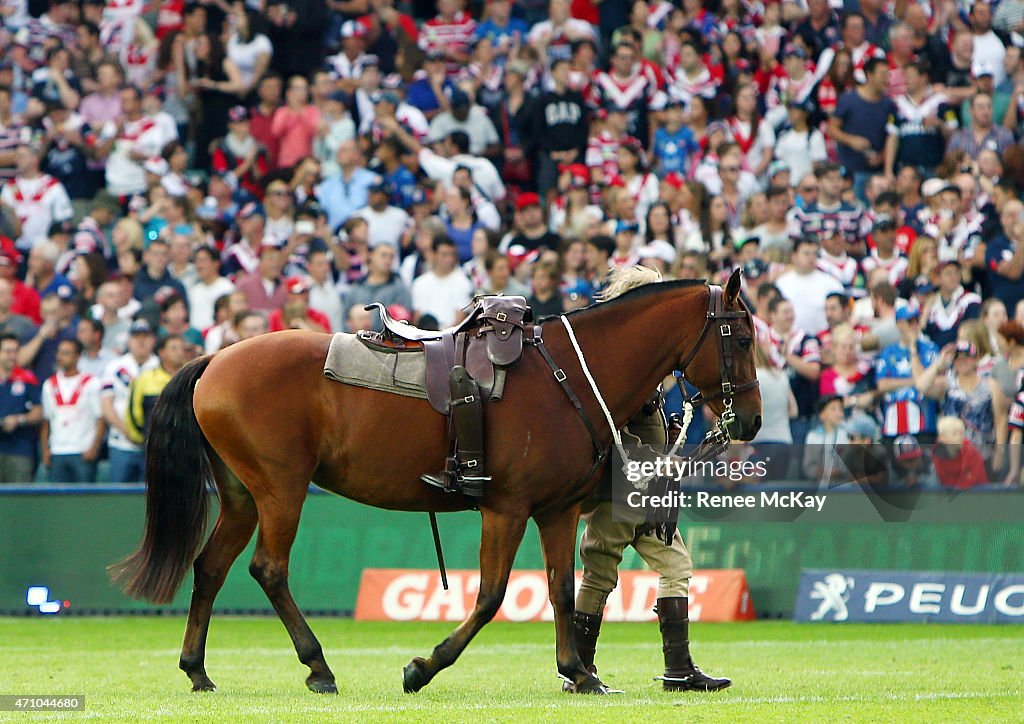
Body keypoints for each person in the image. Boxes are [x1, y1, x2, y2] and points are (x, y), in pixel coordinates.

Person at [570, 265, 731, 694]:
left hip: (643, 489)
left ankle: (677, 669)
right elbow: (614, 434)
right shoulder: (623, 367)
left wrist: (677, 449)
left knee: (669, 565)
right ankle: (579, 672)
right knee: (600, 574)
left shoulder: (637, 364)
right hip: (621, 489)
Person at [40, 338, 105, 482]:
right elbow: (46, 421)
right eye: (59, 353)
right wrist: (45, 450)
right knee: (57, 500)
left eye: (66, 353)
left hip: (82, 449)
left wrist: (94, 448)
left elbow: (100, 418)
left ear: (77, 356)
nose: (60, 357)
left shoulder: (91, 383)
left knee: (84, 500)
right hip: (57, 450)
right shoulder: (49, 385)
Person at [101, 319, 158, 483]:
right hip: (121, 442)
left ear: (153, 340)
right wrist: (127, 431)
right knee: (118, 496)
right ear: (129, 340)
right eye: (136, 336)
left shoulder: (159, 367)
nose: (141, 341)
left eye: (145, 336)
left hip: (153, 445)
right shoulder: (115, 366)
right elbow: (106, 404)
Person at [123, 334, 187, 446]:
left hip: (187, 446)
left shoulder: (192, 378)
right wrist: (142, 438)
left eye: (182, 348)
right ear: (161, 352)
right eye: (174, 348)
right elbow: (133, 412)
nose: (179, 352)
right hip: (155, 446)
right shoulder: (145, 379)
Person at [0, 333, 42, 483]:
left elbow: (39, 412)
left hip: (19, 450)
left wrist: (19, 420)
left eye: (15, 351)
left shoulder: (27, 378)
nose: (12, 356)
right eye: (7, 351)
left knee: (19, 501)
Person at [410, 236, 472, 328]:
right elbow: (417, 317)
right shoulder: (420, 283)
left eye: (452, 254)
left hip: (451, 337)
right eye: (444, 254)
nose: (449, 259)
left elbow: (461, 319)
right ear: (434, 254)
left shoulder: (463, 282)